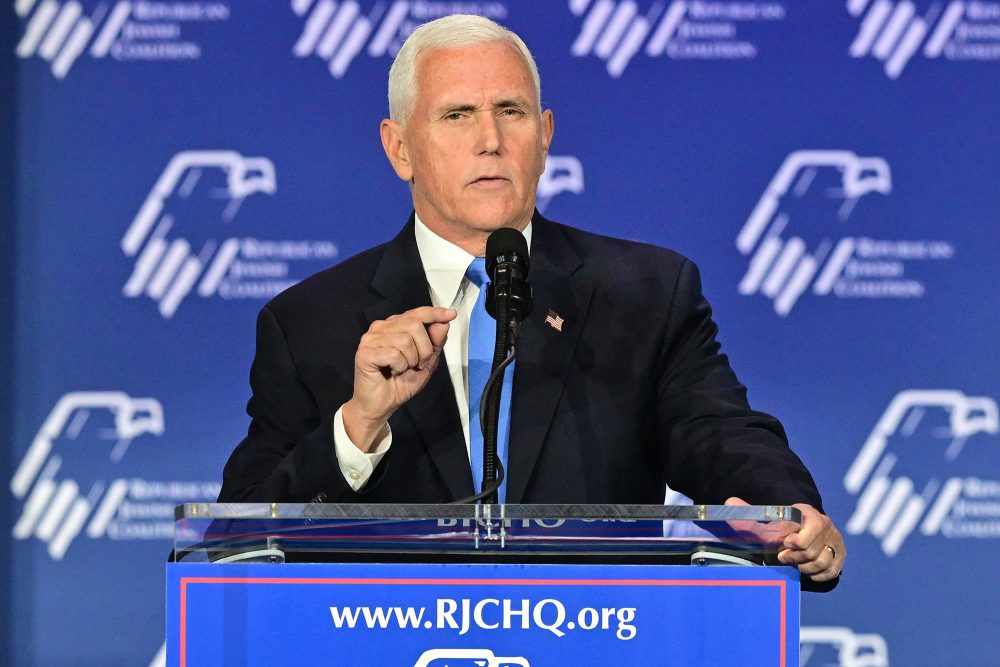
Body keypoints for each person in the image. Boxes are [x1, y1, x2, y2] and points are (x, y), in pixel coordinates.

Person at [218, 14, 845, 583]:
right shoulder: (308, 323)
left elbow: (721, 435)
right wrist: (358, 425)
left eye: (511, 111)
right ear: (399, 147)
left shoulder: (645, 294)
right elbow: (238, 538)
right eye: (457, 114)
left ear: (544, 137)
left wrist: (786, 510)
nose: (489, 138)